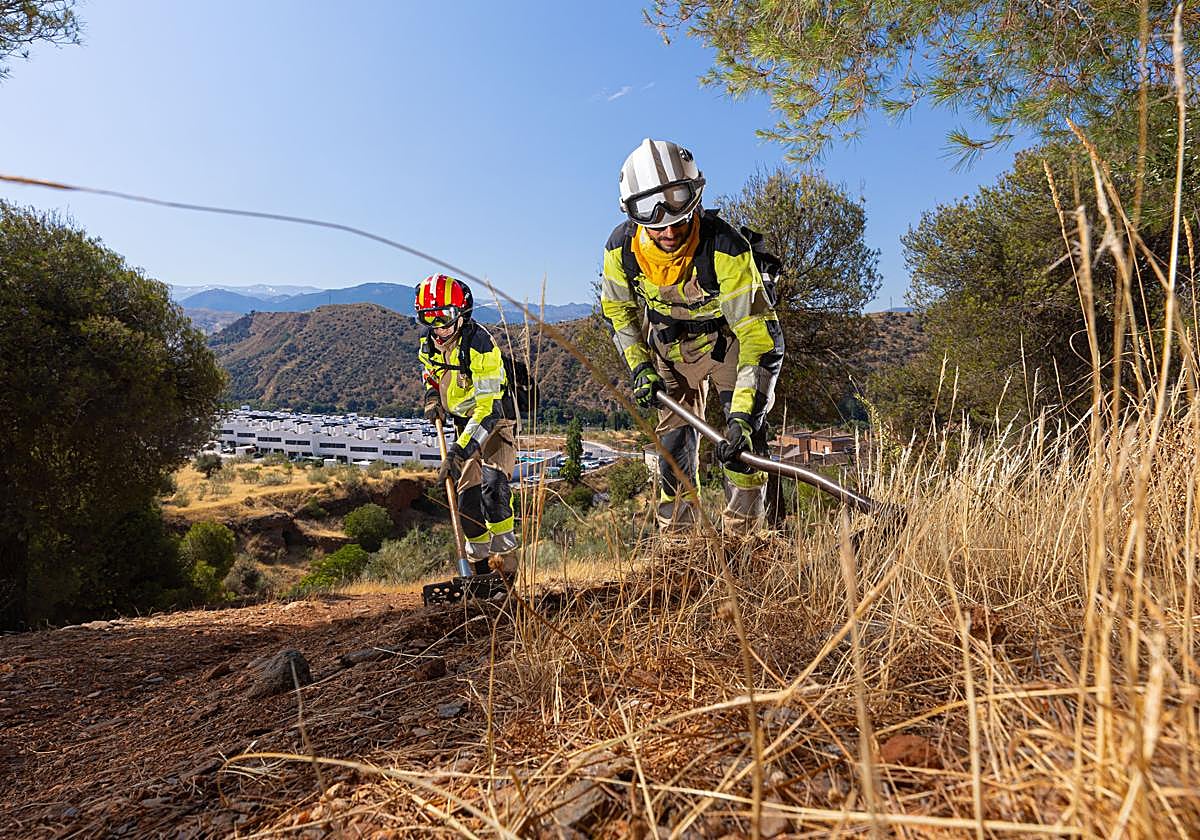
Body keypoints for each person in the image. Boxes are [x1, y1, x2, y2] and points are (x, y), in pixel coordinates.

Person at [601, 138, 784, 533]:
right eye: (653, 214)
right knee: (673, 450)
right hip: (667, 353)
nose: (668, 226)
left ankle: (745, 540)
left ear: (695, 197)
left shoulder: (725, 248)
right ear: (633, 212)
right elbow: (617, 310)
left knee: (744, 450)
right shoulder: (622, 249)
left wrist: (744, 415)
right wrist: (639, 368)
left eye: (679, 210)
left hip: (727, 347)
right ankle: (681, 547)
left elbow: (758, 335)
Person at [415, 274, 519, 576]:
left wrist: (460, 453)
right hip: (463, 425)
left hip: (495, 423)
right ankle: (479, 570)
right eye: (429, 317)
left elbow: (488, 409)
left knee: (494, 491)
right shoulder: (429, 343)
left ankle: (506, 570)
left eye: (444, 316)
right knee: (468, 504)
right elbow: (429, 373)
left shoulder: (481, 345)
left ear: (461, 313)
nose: (438, 327)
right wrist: (433, 395)